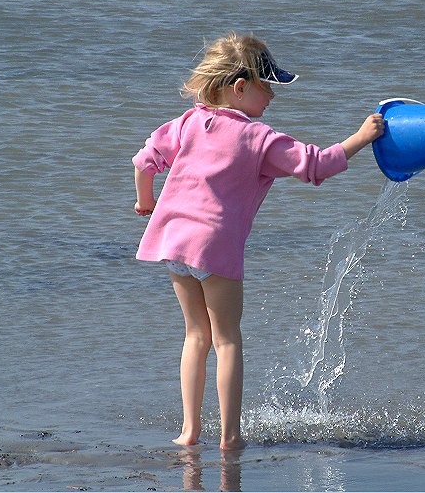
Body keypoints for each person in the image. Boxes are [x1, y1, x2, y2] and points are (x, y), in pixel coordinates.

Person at [132, 32, 384, 450]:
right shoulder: (259, 138)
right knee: (227, 338)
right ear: (240, 87)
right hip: (215, 246)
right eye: (268, 87)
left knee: (196, 335)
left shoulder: (187, 123)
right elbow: (314, 166)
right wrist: (361, 137)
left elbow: (145, 161)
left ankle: (189, 432)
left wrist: (146, 202)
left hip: (173, 241)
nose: (271, 97)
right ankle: (230, 437)